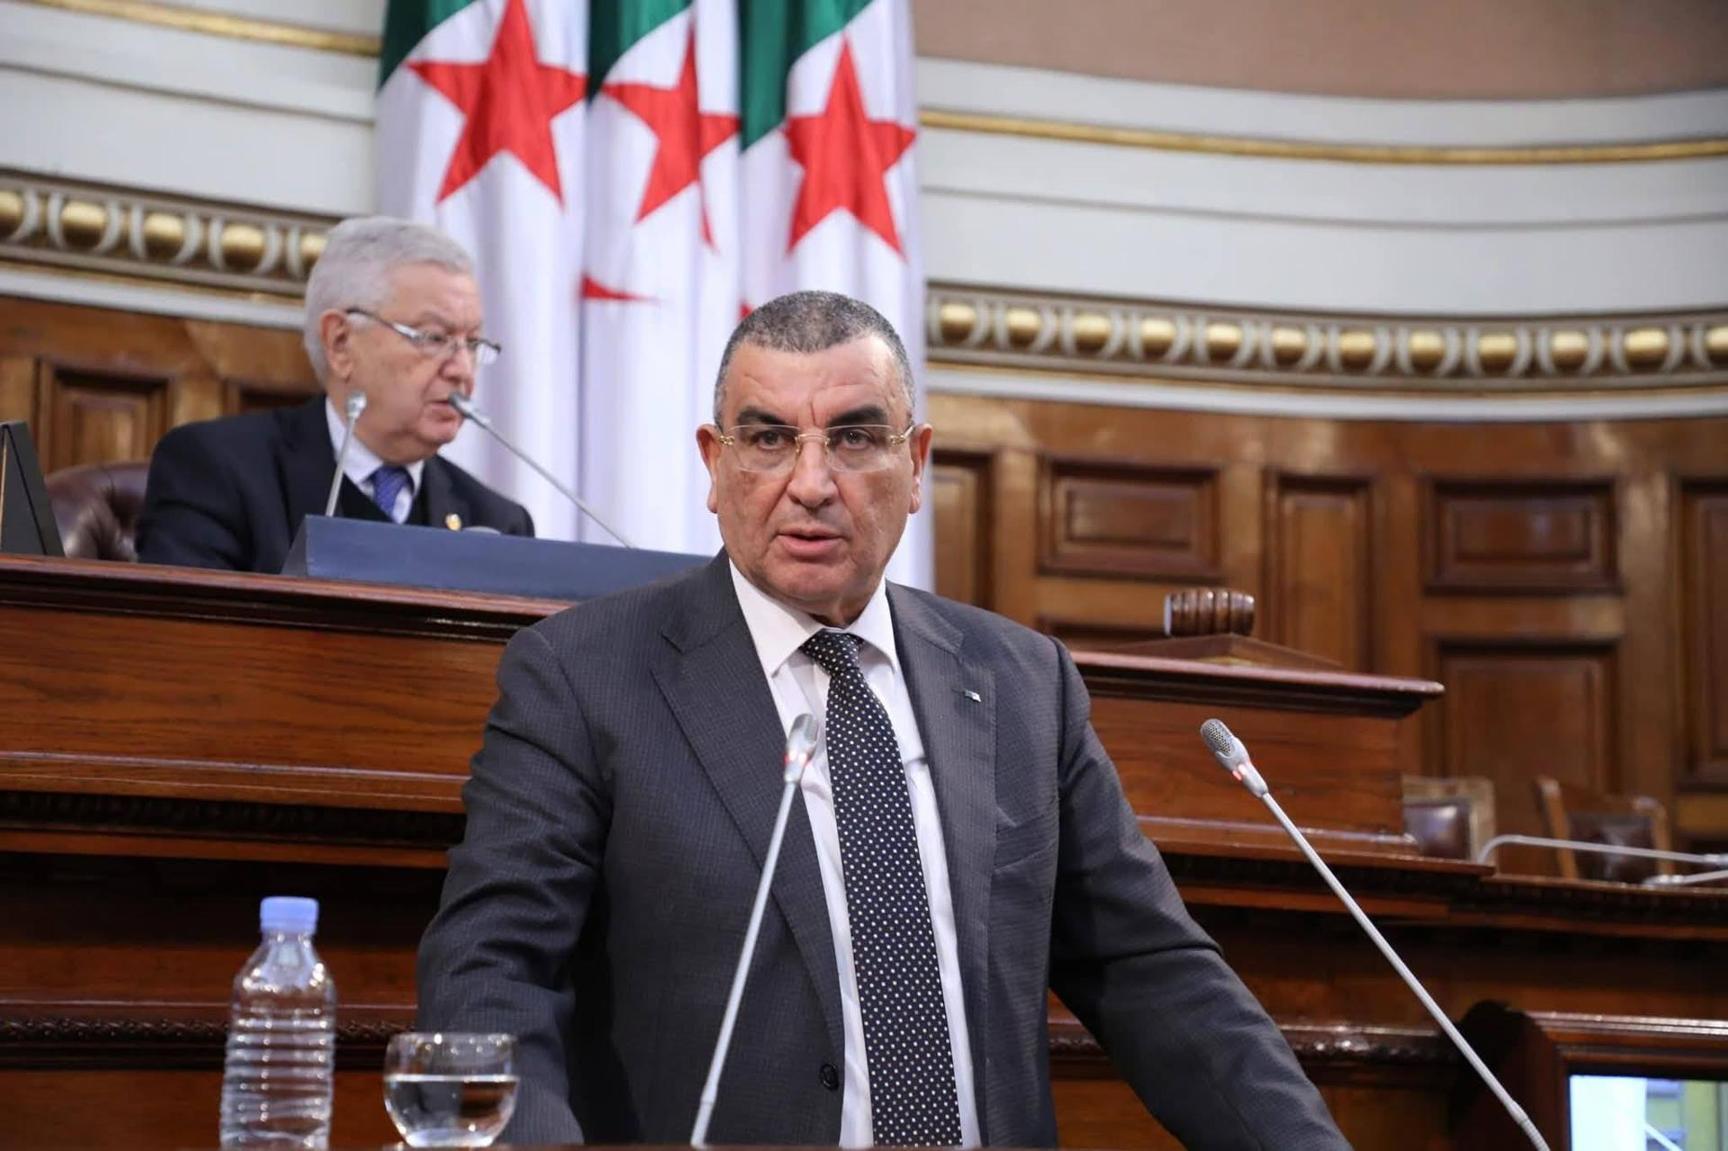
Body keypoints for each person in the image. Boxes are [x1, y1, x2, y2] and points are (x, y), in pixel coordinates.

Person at [416, 291, 1348, 1150]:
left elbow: (1155, 971)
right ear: (714, 463)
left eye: (855, 438)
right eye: (769, 439)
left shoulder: (1022, 682)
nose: (811, 482)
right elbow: (489, 973)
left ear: (916, 463)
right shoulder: (584, 675)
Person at [135, 216, 531, 572]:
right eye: (433, 337)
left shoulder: (497, 524)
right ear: (340, 342)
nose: (462, 369)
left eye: (473, 343)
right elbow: (185, 629)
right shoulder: (218, 472)